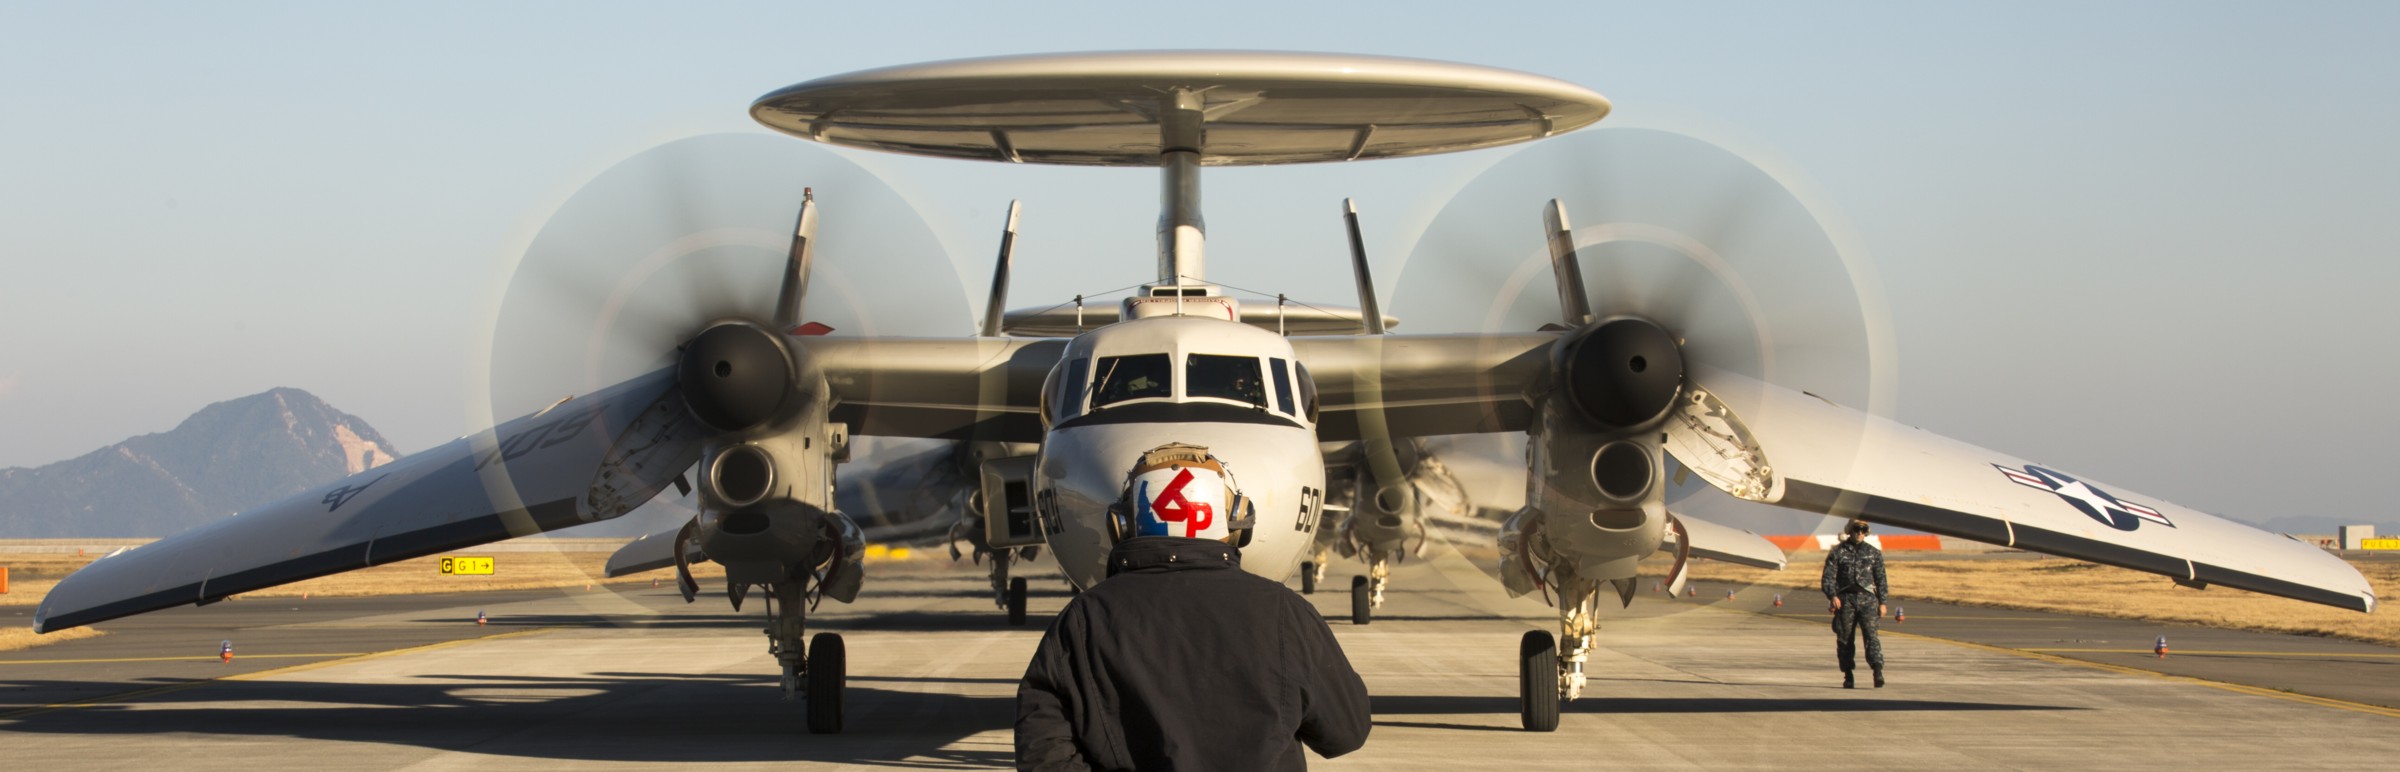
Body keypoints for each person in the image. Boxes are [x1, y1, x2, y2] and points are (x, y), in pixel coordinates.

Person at [1017, 444, 1371, 771]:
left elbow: (1042, 746)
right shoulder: (1284, 611)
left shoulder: (1084, 618)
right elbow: (1346, 733)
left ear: (1122, 523)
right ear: (1236, 521)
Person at [1820, 518, 1888, 688]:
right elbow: (1828, 577)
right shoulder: (1838, 553)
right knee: (1844, 639)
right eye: (1857, 529)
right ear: (1850, 530)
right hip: (1845, 601)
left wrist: (1883, 602)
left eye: (1863, 530)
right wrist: (1832, 596)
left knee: (1871, 636)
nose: (1859, 533)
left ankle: (1877, 670)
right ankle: (1848, 674)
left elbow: (1881, 579)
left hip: (1868, 600)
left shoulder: (1873, 553)